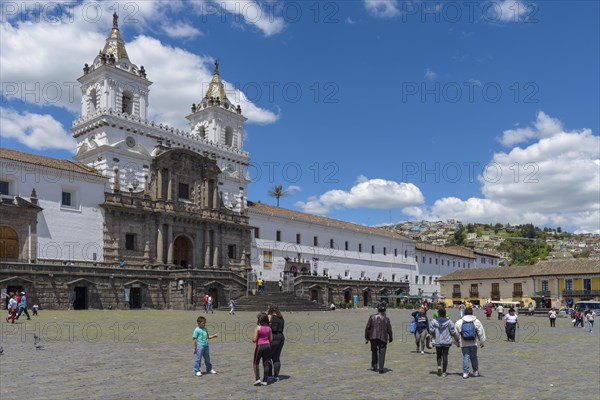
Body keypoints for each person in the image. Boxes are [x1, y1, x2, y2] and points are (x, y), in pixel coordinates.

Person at [455, 307, 486, 379]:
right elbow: (481, 333)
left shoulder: (459, 322)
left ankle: (465, 372)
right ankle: (475, 371)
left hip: (463, 343)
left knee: (466, 357)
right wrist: (482, 342)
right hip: (473, 342)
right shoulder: (476, 321)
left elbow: (456, 333)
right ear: (472, 313)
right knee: (474, 356)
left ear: (465, 313)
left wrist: (456, 342)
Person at [365, 302, 393, 374]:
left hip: (373, 337)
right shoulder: (386, 318)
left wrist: (367, 337)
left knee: (374, 351)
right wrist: (390, 338)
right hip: (383, 338)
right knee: (382, 353)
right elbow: (389, 330)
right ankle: (381, 369)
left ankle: (374, 366)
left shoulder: (372, 317)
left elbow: (367, 328)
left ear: (378, 309)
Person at [429, 308, 458, 377]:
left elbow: (431, 331)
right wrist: (456, 338)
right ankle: (444, 372)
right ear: (445, 314)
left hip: (437, 340)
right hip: (446, 341)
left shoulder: (433, 321)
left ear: (438, 314)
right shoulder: (449, 322)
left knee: (439, 355)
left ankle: (439, 367)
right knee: (445, 355)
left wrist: (431, 337)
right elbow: (453, 332)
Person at [252, 312, 272, 386]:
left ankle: (257, 379)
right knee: (266, 363)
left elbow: (254, 339)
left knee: (256, 362)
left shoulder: (258, 328)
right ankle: (265, 380)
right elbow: (271, 339)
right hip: (267, 346)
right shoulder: (269, 328)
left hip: (260, 346)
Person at [267, 304, 285, 382]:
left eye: (268, 308)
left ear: (271, 309)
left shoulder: (270, 317)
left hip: (273, 337)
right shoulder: (281, 318)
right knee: (276, 358)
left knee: (267, 357)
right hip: (281, 337)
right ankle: (276, 376)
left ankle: (270, 375)